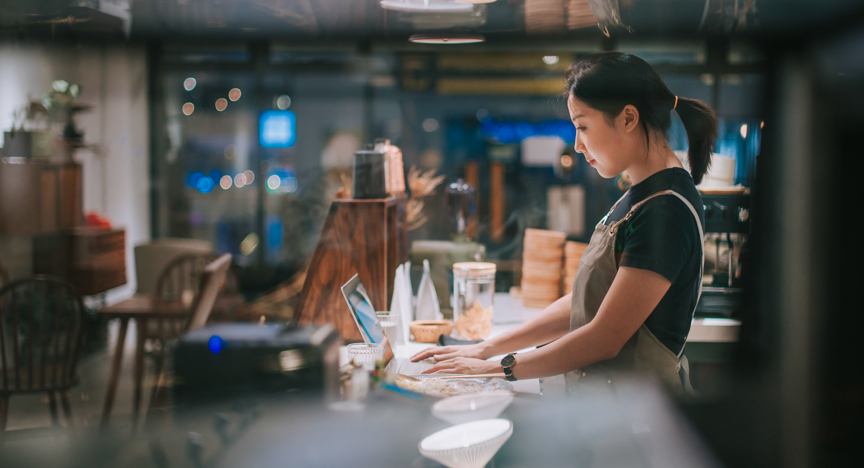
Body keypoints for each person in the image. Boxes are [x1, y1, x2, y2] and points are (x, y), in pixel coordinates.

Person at [411, 52, 718, 396]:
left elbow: (605, 338)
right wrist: (485, 348)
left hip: (639, 416)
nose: (577, 144)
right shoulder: (640, 195)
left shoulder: (666, 210)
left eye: (583, 126)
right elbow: (585, 302)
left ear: (628, 117)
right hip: (608, 406)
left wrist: (496, 368)